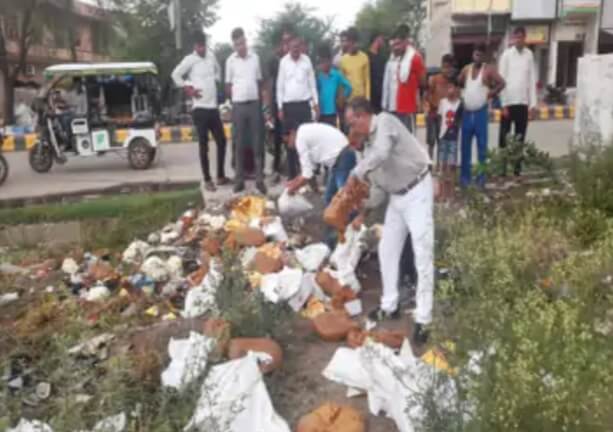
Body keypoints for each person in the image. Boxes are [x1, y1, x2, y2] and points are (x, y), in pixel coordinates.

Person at [346, 97, 433, 345]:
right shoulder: (367, 150)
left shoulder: (385, 122)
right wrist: (361, 205)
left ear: (362, 116)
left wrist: (356, 173)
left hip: (417, 190)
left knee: (422, 253)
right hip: (397, 197)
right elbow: (379, 191)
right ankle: (389, 305)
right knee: (387, 249)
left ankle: (424, 318)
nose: (352, 128)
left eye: (352, 122)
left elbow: (382, 153)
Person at [172, 32, 229, 191]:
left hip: (213, 108)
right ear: (195, 46)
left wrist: (216, 81)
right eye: (199, 46)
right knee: (204, 146)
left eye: (203, 46)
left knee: (222, 141)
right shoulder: (189, 60)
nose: (202, 49)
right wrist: (188, 88)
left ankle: (220, 176)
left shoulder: (211, 56)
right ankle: (207, 179)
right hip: (200, 109)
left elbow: (218, 70)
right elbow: (175, 75)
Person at [225, 27, 266, 195]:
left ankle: (259, 179)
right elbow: (228, 85)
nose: (241, 47)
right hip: (238, 106)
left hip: (254, 104)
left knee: (257, 142)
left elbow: (259, 81)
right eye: (237, 44)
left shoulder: (255, 58)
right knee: (239, 143)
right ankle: (239, 180)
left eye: (242, 43)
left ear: (246, 41)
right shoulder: (230, 61)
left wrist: (262, 104)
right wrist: (234, 102)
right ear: (234, 45)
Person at [458, 44, 505, 188]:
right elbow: (458, 83)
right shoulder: (466, 69)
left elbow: (502, 83)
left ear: (484, 56)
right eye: (475, 54)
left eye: (480, 55)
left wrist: (492, 93)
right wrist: (462, 96)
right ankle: (465, 179)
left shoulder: (488, 69)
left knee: (482, 148)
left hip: (480, 113)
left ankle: (481, 179)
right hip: (467, 113)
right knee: (465, 148)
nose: (477, 57)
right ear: (473, 54)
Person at [276, 35, 319, 180]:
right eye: (293, 47)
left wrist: (316, 103)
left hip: (304, 106)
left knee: (306, 140)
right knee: (290, 142)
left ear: (301, 47)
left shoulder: (307, 60)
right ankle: (292, 175)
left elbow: (312, 84)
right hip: (289, 107)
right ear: (288, 47)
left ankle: (307, 175)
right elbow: (280, 87)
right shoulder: (283, 62)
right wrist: (280, 107)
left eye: (298, 47)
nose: (295, 49)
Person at [498, 26, 538, 177]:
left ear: (525, 38)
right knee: (504, 138)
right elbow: (501, 80)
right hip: (508, 103)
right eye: (516, 37)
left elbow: (532, 80)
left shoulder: (529, 55)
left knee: (520, 138)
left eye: (521, 37)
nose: (518, 40)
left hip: (522, 103)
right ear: (513, 39)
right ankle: (502, 169)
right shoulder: (506, 55)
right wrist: (503, 104)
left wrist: (533, 105)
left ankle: (517, 170)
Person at [382, 24, 426, 132]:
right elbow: (387, 84)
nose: (395, 47)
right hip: (392, 107)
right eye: (394, 44)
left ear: (405, 42)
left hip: (407, 108)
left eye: (398, 44)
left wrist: (419, 99)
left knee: (407, 138)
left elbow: (423, 82)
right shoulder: (391, 60)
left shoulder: (415, 58)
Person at [267, 26, 294, 183]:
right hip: (278, 104)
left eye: (289, 41)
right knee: (277, 138)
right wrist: (271, 110)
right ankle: (276, 169)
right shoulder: (274, 61)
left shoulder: (296, 59)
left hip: (293, 104)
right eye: (284, 41)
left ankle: (293, 169)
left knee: (292, 136)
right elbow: (270, 84)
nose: (286, 44)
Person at [437, 79, 463, 201]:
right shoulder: (442, 102)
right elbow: (439, 118)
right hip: (443, 137)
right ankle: (442, 193)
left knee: (452, 166)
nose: (450, 90)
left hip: (453, 138)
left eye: (452, 87)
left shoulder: (460, 104)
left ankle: (451, 193)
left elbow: (460, 121)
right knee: (443, 165)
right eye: (448, 88)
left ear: (457, 89)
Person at [425, 54, 455, 161]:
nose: (447, 70)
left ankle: (439, 165)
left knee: (441, 142)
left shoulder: (452, 83)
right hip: (432, 115)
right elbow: (427, 95)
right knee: (431, 142)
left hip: (445, 117)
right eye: (445, 67)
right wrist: (432, 105)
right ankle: (429, 164)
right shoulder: (434, 79)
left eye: (449, 68)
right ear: (442, 67)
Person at [316, 44, 352, 127]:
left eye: (326, 61)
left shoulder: (336, 75)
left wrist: (342, 98)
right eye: (322, 62)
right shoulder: (318, 76)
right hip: (320, 112)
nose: (324, 64)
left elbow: (348, 87)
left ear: (330, 61)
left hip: (333, 112)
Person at [339, 27, 370, 102]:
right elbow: (341, 83)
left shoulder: (364, 57)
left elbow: (367, 80)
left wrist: (367, 98)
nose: (352, 45)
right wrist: (342, 99)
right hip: (348, 100)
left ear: (358, 42)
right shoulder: (343, 60)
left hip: (361, 99)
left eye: (354, 42)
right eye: (350, 42)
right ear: (347, 42)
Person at [367, 33, 387, 113]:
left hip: (381, 95)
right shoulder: (366, 57)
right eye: (381, 39)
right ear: (376, 39)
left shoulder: (382, 58)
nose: (383, 41)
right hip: (371, 94)